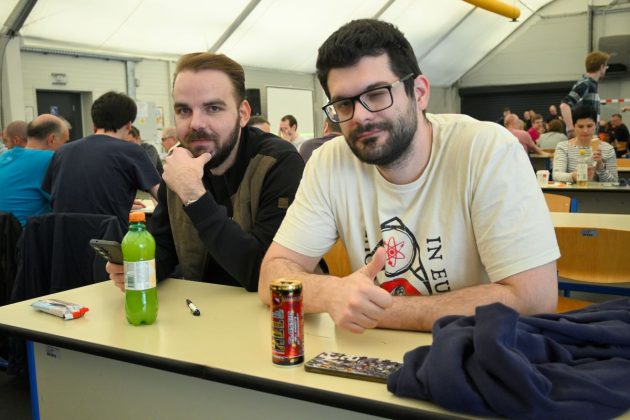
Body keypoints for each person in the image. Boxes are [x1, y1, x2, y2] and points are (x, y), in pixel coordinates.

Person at [258, 19, 559, 333]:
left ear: (419, 92)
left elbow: (535, 298)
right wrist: (330, 292)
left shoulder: (487, 149)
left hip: (475, 351)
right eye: (344, 104)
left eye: (377, 94)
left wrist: (377, 312)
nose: (360, 116)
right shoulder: (329, 162)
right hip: (372, 354)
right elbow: (271, 276)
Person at [106, 52, 304, 292]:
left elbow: (264, 274)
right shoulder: (180, 160)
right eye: (184, 110)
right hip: (198, 307)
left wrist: (194, 196)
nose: (195, 123)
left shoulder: (279, 162)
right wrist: (141, 266)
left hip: (269, 311)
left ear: (243, 114)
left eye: (213, 108)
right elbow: (165, 248)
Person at [42, 91, 161, 230]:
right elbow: (162, 197)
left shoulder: (62, 152)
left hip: (63, 238)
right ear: (129, 125)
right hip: (109, 239)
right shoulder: (132, 151)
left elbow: (56, 195)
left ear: (94, 123)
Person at [0, 114, 69, 226]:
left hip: (6, 232)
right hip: (26, 233)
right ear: (52, 139)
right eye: (65, 142)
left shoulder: (5, 157)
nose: (66, 146)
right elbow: (68, 202)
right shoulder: (50, 159)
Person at [553, 106, 618, 183]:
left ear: (596, 126)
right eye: (580, 126)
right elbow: (556, 176)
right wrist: (573, 176)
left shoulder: (607, 148)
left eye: (589, 126)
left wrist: (600, 167)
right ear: (574, 126)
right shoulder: (563, 147)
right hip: (572, 190)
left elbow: (614, 181)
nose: (585, 130)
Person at [560, 51, 609, 138]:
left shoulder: (590, 84)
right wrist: (571, 130)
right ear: (601, 66)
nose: (606, 69)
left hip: (588, 137)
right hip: (583, 137)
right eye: (606, 66)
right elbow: (564, 105)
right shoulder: (586, 84)